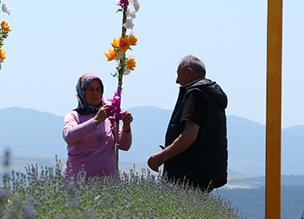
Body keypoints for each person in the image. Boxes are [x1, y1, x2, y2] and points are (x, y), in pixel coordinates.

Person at [147, 55, 228, 191]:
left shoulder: (196, 94)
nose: (177, 81)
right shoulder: (212, 95)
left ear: (189, 72)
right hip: (207, 170)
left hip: (191, 171)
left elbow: (190, 134)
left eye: (179, 75)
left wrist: (161, 157)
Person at [63, 73, 133, 179]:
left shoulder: (109, 117)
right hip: (79, 183)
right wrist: (95, 121)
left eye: (98, 89)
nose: (95, 93)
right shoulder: (75, 116)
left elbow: (124, 145)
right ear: (82, 92)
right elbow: (69, 136)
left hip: (107, 184)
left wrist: (126, 126)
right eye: (90, 89)